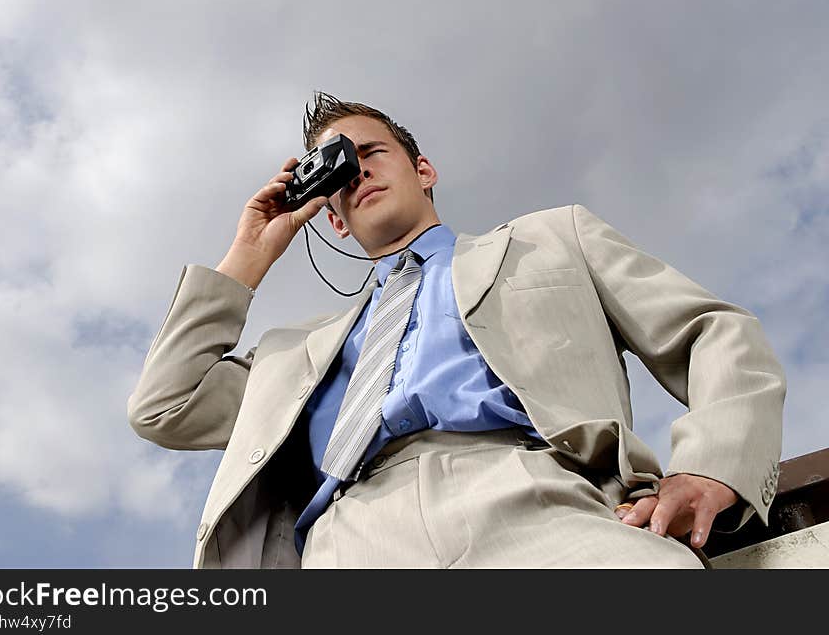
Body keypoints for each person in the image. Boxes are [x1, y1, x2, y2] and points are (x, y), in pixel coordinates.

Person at [127, 92, 786, 568]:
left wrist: (711, 462)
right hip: (348, 542)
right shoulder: (291, 353)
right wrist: (249, 254)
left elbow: (710, 329)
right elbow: (165, 406)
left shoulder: (554, 238)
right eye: (338, 169)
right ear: (327, 217)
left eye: (371, 152)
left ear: (423, 170)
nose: (357, 171)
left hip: (544, 505)